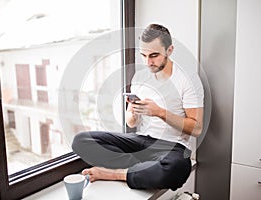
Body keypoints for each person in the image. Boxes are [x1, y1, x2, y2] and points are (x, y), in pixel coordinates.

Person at [72, 24, 204, 191]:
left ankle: (115, 174)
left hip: (172, 147)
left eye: (154, 55)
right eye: (144, 55)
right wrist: (133, 114)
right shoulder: (140, 77)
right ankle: (144, 168)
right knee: (81, 140)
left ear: (169, 50)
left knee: (177, 168)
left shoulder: (188, 79)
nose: (148, 62)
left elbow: (197, 128)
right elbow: (131, 123)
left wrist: (160, 112)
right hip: (142, 141)